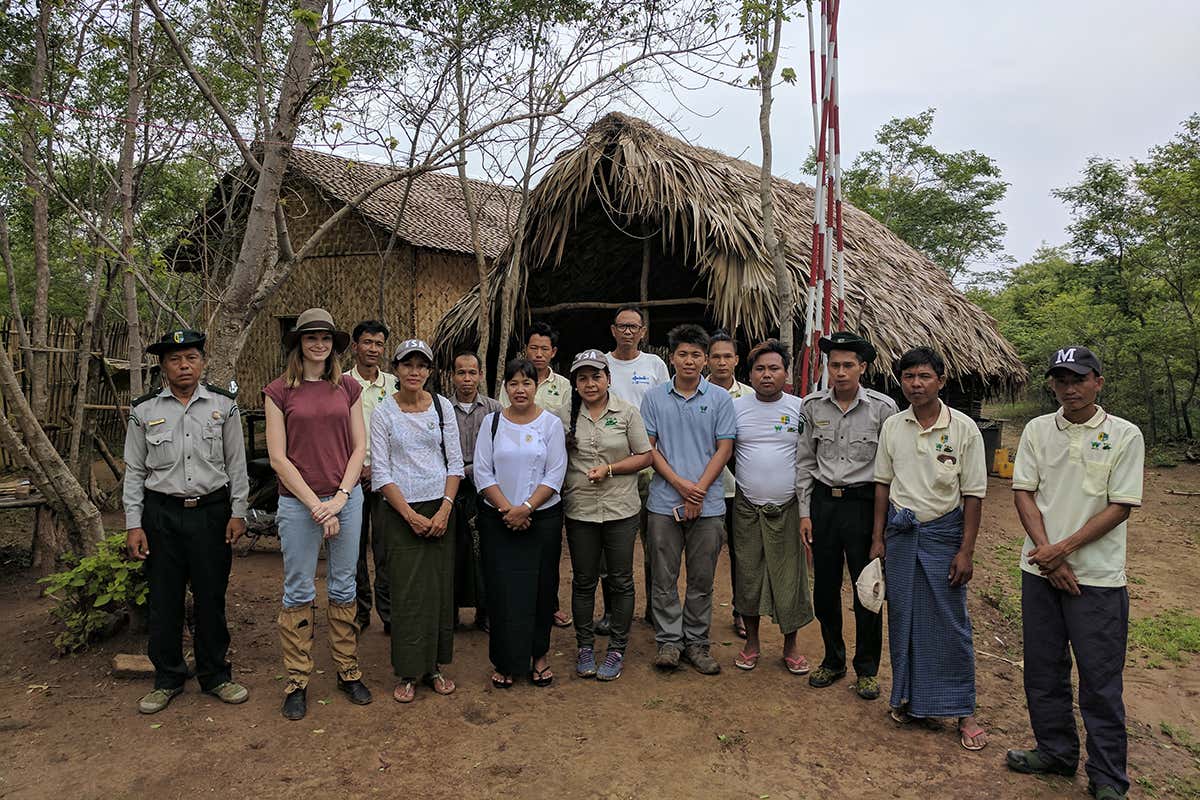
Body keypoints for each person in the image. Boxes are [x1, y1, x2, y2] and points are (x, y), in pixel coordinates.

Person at [1006, 346, 1144, 800]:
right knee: (1043, 670)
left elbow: (1120, 505)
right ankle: (1056, 751)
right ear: (1051, 384)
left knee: (1100, 680)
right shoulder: (1037, 431)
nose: (1070, 387)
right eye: (1061, 379)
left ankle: (1107, 778)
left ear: (1098, 382)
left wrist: (1063, 550)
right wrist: (1048, 555)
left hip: (1098, 578)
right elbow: (1024, 493)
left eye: (1079, 378)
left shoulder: (1125, 435)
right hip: (1040, 572)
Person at [123, 329, 250, 714]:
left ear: (202, 362)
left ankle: (216, 676)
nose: (184, 365)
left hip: (211, 514)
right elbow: (133, 471)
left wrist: (238, 512)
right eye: (175, 359)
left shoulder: (223, 406)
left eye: (191, 357)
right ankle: (167, 679)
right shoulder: (144, 411)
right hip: (161, 515)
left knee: (211, 597)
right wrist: (134, 522)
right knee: (164, 599)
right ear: (163, 366)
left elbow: (236, 464)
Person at [871, 347, 988, 751]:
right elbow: (882, 485)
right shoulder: (893, 426)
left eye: (923, 376)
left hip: (944, 536)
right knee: (903, 618)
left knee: (950, 621)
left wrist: (966, 551)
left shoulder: (964, 429)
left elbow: (973, 495)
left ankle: (964, 710)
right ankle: (908, 699)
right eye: (908, 377)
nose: (915, 384)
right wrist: (877, 537)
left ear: (941, 380)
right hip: (901, 536)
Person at [264, 308, 372, 721]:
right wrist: (316, 505)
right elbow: (278, 457)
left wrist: (341, 497)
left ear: (333, 344)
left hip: (346, 496)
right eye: (310, 337)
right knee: (298, 588)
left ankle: (347, 668)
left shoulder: (347, 388)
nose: (318, 344)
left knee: (344, 584)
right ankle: (297, 678)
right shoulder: (278, 391)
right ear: (298, 343)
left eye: (325, 338)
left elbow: (358, 447)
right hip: (298, 503)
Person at [796, 331, 897, 700]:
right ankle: (833, 659)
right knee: (824, 588)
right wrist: (805, 513)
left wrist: (881, 528)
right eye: (834, 364)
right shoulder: (812, 406)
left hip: (864, 506)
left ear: (863, 368)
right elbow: (805, 462)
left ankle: (867, 668)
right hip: (823, 506)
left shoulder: (884, 410)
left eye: (848, 365)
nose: (840, 372)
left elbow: (891, 469)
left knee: (867, 588)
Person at [370, 339, 464, 704]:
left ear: (429, 371)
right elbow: (381, 470)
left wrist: (444, 509)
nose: (414, 372)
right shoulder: (383, 413)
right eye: (407, 365)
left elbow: (454, 463)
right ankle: (409, 671)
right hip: (399, 512)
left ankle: (435, 666)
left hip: (441, 507)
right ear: (396, 369)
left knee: (439, 590)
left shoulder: (441, 408)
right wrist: (409, 515)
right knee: (407, 592)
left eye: (421, 366)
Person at [640, 324, 735, 675]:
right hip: (664, 502)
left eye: (697, 354)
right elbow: (649, 448)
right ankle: (668, 641)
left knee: (701, 579)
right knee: (663, 577)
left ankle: (696, 643)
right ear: (672, 357)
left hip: (708, 505)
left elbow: (724, 448)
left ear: (706, 359)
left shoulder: (720, 399)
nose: (690, 360)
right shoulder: (654, 398)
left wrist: (698, 490)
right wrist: (681, 485)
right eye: (683, 354)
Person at [559, 350, 653, 682]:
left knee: (621, 579)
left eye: (596, 376)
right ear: (575, 383)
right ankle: (585, 646)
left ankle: (616, 649)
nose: (590, 383)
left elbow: (645, 456)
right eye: (582, 377)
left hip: (620, 509)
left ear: (608, 379)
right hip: (581, 510)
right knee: (583, 581)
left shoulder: (626, 413)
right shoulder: (563, 416)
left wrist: (611, 469)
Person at [474, 358, 568, 688]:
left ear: (536, 386)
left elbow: (555, 473)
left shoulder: (551, 424)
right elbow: (483, 471)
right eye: (513, 383)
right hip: (498, 520)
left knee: (542, 588)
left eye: (526, 383)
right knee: (502, 591)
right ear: (505, 387)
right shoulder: (492, 423)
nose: (520, 389)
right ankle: (505, 660)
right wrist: (508, 510)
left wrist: (526, 508)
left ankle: (538, 656)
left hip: (541, 520)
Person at [731, 340, 814, 674]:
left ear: (786, 373)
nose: (767, 375)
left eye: (774, 368)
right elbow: (724, 452)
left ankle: (790, 647)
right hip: (747, 506)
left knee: (790, 577)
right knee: (748, 574)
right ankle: (751, 643)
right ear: (749, 374)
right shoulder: (735, 408)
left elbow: (809, 459)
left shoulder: (801, 408)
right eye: (760, 369)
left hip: (790, 506)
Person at [499, 320, 573, 628]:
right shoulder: (515, 379)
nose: (539, 354)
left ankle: (550, 603)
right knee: (512, 549)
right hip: (513, 470)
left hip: (548, 470)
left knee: (548, 546)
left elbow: (565, 428)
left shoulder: (564, 386)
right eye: (534, 348)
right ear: (525, 349)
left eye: (545, 349)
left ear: (553, 352)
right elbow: (504, 421)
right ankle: (512, 604)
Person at [604, 304, 670, 631]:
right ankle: (612, 611)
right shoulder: (602, 364)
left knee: (654, 540)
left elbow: (666, 409)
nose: (628, 332)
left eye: (634, 326)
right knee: (612, 541)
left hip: (650, 464)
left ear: (643, 332)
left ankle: (656, 609)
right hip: (613, 465)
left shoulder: (655, 365)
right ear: (613, 330)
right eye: (622, 326)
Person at [345, 320, 396, 633]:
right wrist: (357, 469)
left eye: (378, 344)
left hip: (386, 478)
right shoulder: (340, 383)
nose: (373, 349)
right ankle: (360, 612)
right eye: (367, 343)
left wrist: (376, 468)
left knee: (386, 549)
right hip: (349, 479)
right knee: (353, 550)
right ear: (355, 346)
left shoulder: (394, 384)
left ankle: (389, 614)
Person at [450, 350, 502, 631]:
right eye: (461, 372)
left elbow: (499, 450)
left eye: (472, 372)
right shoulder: (442, 408)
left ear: (480, 375)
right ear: (452, 376)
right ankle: (452, 611)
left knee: (486, 550)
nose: (467, 379)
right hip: (452, 487)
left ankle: (486, 610)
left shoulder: (494, 409)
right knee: (455, 551)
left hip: (485, 488)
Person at [708, 329, 752, 639]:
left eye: (727, 356)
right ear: (707, 360)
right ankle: (697, 615)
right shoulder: (695, 392)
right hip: (704, 488)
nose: (722, 362)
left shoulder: (749, 397)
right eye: (716, 356)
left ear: (736, 360)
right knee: (703, 554)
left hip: (740, 490)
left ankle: (742, 611)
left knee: (742, 553)